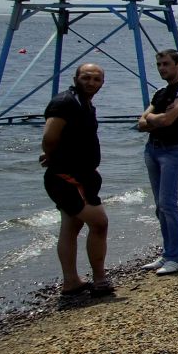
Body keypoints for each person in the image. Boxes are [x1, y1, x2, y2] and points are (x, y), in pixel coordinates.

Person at [41, 62, 111, 304]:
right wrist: (52, 157)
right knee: (99, 223)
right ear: (76, 78)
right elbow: (50, 136)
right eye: (86, 78)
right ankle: (100, 279)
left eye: (96, 79)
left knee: (71, 227)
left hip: (83, 177)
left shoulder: (86, 104)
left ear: (102, 83)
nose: (91, 82)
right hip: (65, 178)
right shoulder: (65, 102)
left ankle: (71, 283)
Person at [137, 48, 178, 276]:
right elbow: (142, 122)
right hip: (152, 149)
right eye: (159, 64)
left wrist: (155, 119)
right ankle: (167, 252)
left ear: (177, 64)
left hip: (173, 151)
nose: (162, 68)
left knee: (168, 204)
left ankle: (176, 257)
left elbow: (169, 119)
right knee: (160, 207)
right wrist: (155, 119)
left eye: (166, 64)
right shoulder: (161, 92)